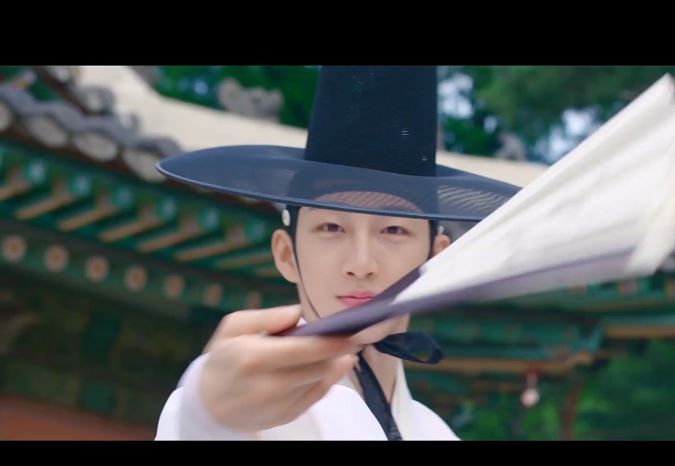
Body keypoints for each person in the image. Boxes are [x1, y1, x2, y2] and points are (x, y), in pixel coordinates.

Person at [154, 66, 520, 440]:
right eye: (331, 228)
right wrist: (207, 417)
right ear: (286, 255)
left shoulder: (436, 433)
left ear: (435, 260)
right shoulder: (236, 413)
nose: (361, 264)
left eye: (393, 229)